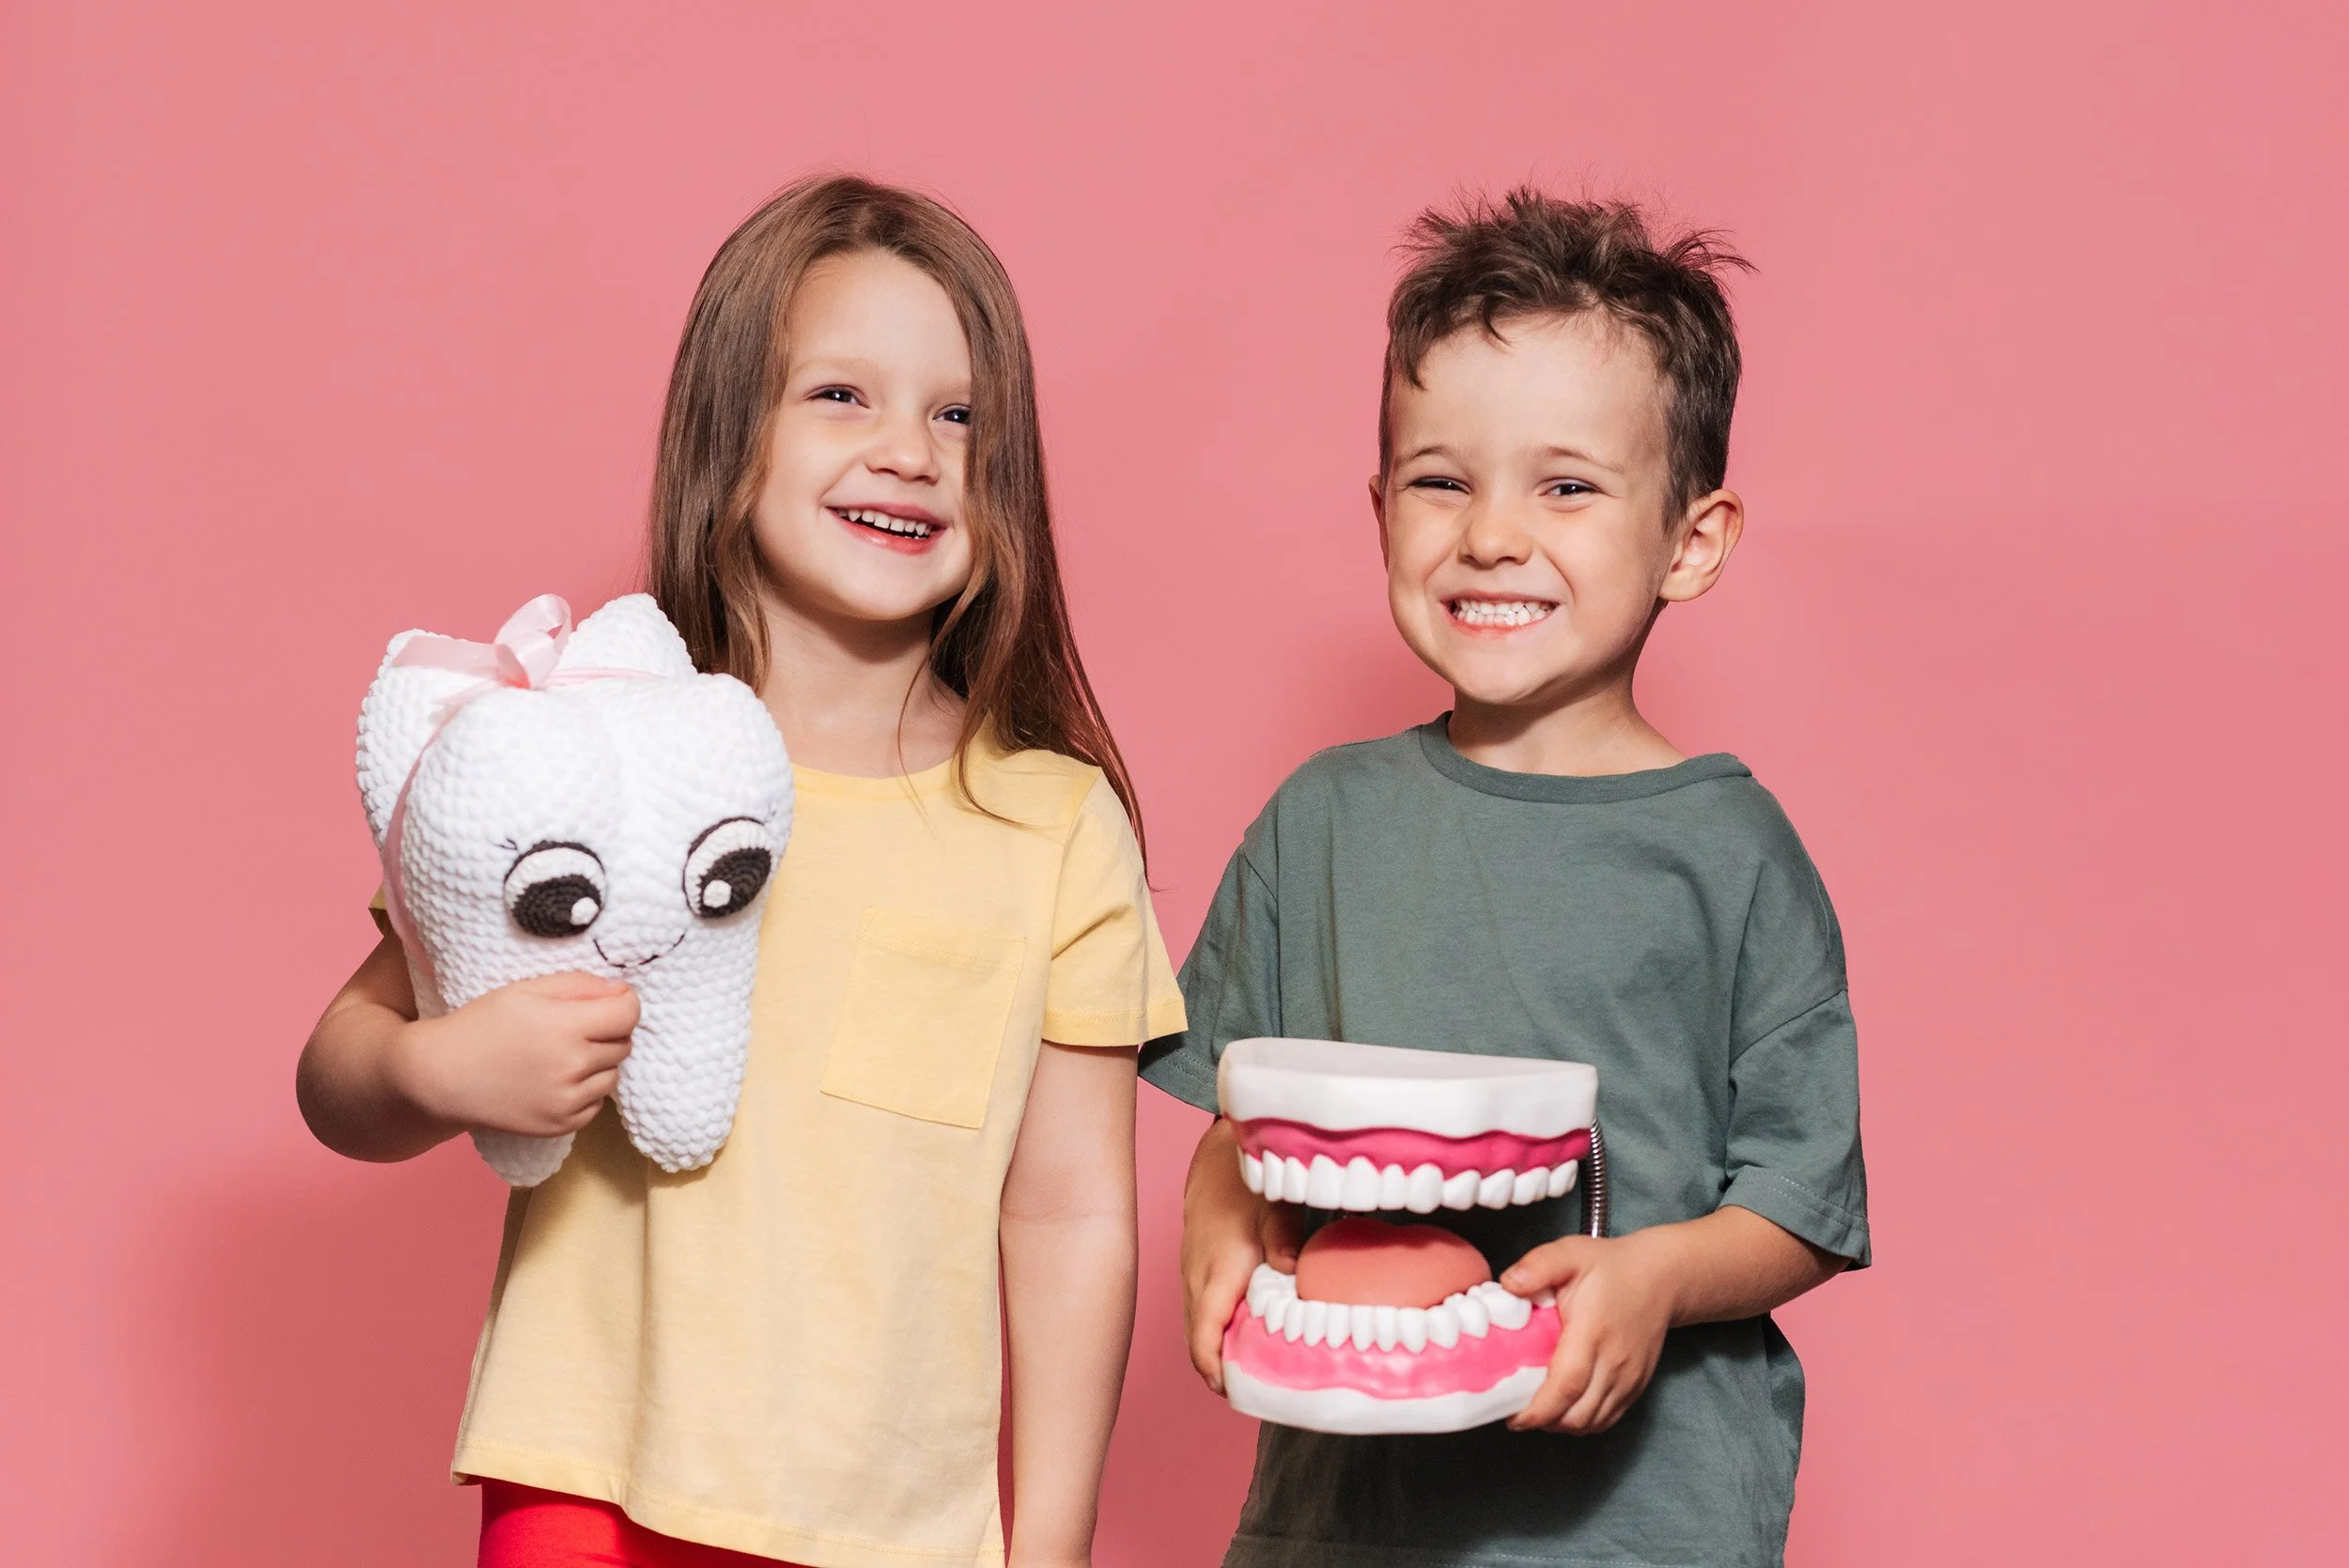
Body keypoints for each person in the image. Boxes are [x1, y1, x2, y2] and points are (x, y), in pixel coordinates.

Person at [298, 176, 1183, 1568]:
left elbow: (1070, 1213)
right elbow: (341, 1065)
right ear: (732, 432)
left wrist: (1053, 1538)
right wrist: (434, 1071)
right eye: (844, 396)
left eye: (959, 416)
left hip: (896, 1531)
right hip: (587, 1481)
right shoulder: (583, 750)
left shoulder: (1055, 824)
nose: (911, 450)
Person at [1141, 188, 1870, 1568]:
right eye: (1440, 479)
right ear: (1379, 510)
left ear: (1691, 541)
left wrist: (1656, 1277)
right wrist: (1216, 1219)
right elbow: (1234, 1122)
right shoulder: (1322, 822)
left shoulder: (1734, 857)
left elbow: (1802, 1204)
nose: (1490, 535)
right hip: (1342, 1525)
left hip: (1638, 1529)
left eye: (1568, 485)